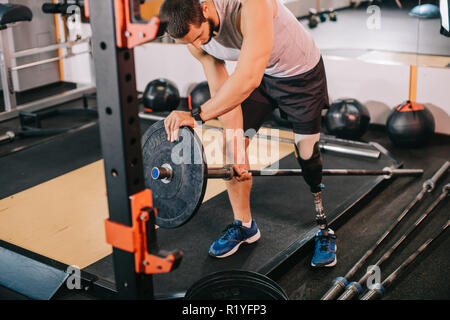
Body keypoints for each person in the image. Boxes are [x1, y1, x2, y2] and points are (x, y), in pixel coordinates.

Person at [158, 0, 336, 267]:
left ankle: (324, 227)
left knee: (307, 152)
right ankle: (245, 226)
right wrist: (237, 149)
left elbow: (247, 78)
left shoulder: (251, 5)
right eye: (190, 41)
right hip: (261, 77)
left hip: (301, 77)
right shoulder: (194, 39)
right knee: (231, 148)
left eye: (197, 36)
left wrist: (196, 115)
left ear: (205, 8)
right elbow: (222, 92)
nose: (197, 44)